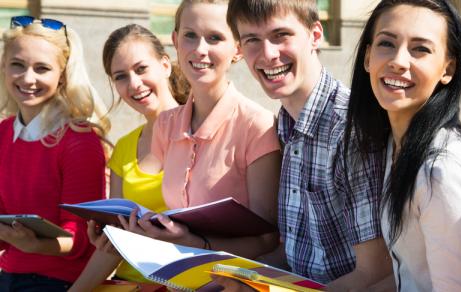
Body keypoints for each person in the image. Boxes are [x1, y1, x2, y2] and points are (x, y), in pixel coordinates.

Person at [225, 0, 389, 289]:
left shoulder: (350, 131)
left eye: (280, 35)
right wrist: (236, 274)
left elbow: (374, 274)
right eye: (252, 40)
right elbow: (296, 259)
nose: (268, 54)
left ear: (315, 35)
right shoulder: (286, 124)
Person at [344, 0, 461, 291]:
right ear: (367, 57)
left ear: (448, 68)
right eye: (387, 43)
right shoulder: (396, 144)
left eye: (420, 49)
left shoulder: (441, 169)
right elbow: (410, 276)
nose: (399, 60)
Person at [119, 0, 282, 260]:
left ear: (238, 49)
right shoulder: (165, 124)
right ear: (175, 39)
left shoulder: (258, 126)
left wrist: (195, 242)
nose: (199, 49)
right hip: (174, 278)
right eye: (190, 36)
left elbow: (268, 240)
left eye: (215, 38)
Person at [68, 24, 187, 291]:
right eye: (120, 76)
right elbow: (115, 245)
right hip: (128, 284)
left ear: (165, 65)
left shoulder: (204, 133)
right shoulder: (123, 148)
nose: (134, 84)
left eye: (141, 69)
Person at [0, 16, 108, 291]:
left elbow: (83, 238)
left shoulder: (78, 140)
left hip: (57, 282)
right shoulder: (3, 132)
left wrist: (36, 244)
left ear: (62, 75)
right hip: (8, 273)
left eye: (42, 68)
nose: (28, 78)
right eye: (17, 65)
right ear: (3, 66)